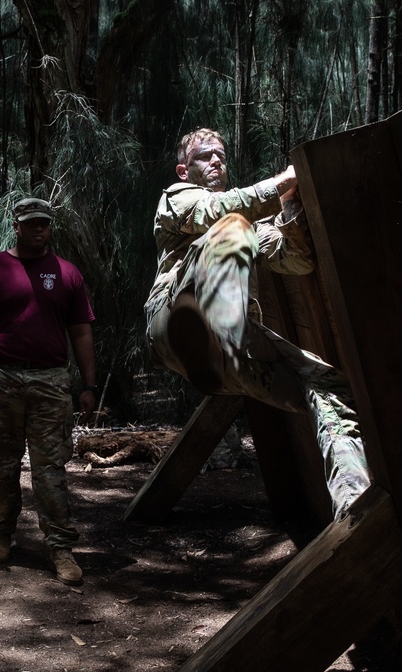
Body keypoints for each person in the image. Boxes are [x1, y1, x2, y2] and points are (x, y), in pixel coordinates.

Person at [145, 128, 370, 520]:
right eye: (204, 156)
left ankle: (353, 504)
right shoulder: (176, 199)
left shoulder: (249, 225)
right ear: (184, 170)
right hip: (170, 322)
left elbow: (296, 259)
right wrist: (280, 181)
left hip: (229, 354)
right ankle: (209, 323)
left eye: (221, 154)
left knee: (330, 389)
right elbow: (219, 213)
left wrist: (290, 205)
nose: (216, 160)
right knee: (233, 225)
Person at [0, 197, 98, 585]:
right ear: (16, 225)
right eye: (31, 223)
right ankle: (0, 532)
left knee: (50, 470)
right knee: (1, 465)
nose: (39, 229)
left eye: (44, 224)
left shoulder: (67, 274)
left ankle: (60, 547)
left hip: (52, 383)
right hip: (2, 380)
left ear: (51, 227)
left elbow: (81, 331)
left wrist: (89, 385)